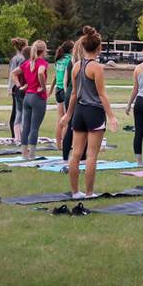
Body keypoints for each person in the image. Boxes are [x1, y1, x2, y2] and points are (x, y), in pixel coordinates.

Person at [61, 26, 119, 199]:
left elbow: (73, 93)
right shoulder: (97, 67)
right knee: (91, 154)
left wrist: (68, 115)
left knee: (76, 154)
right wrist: (112, 116)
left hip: (79, 111)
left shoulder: (76, 66)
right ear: (99, 48)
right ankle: (89, 193)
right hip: (94, 113)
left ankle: (74, 192)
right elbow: (102, 94)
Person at [20, 40, 50, 160]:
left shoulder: (28, 62)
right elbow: (41, 73)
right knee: (34, 127)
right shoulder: (41, 62)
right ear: (44, 50)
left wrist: (20, 86)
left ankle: (23, 154)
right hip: (37, 97)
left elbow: (13, 73)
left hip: (27, 97)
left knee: (26, 126)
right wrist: (43, 87)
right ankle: (32, 155)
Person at [61, 38, 83, 161]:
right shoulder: (82, 63)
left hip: (69, 92)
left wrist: (67, 93)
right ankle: (82, 155)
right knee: (82, 125)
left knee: (70, 125)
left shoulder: (71, 61)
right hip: (78, 94)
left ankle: (65, 156)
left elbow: (65, 81)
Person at [51, 41, 73, 149]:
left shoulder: (58, 60)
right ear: (71, 50)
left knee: (59, 119)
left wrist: (51, 90)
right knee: (66, 120)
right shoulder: (70, 60)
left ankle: (58, 144)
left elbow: (55, 77)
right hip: (65, 90)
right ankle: (65, 145)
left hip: (58, 90)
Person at [7, 38, 29, 143]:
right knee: (19, 112)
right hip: (20, 86)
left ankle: (15, 135)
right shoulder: (22, 59)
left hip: (15, 87)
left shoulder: (14, 58)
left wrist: (10, 87)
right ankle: (19, 136)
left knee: (15, 111)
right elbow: (16, 73)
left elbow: (11, 73)